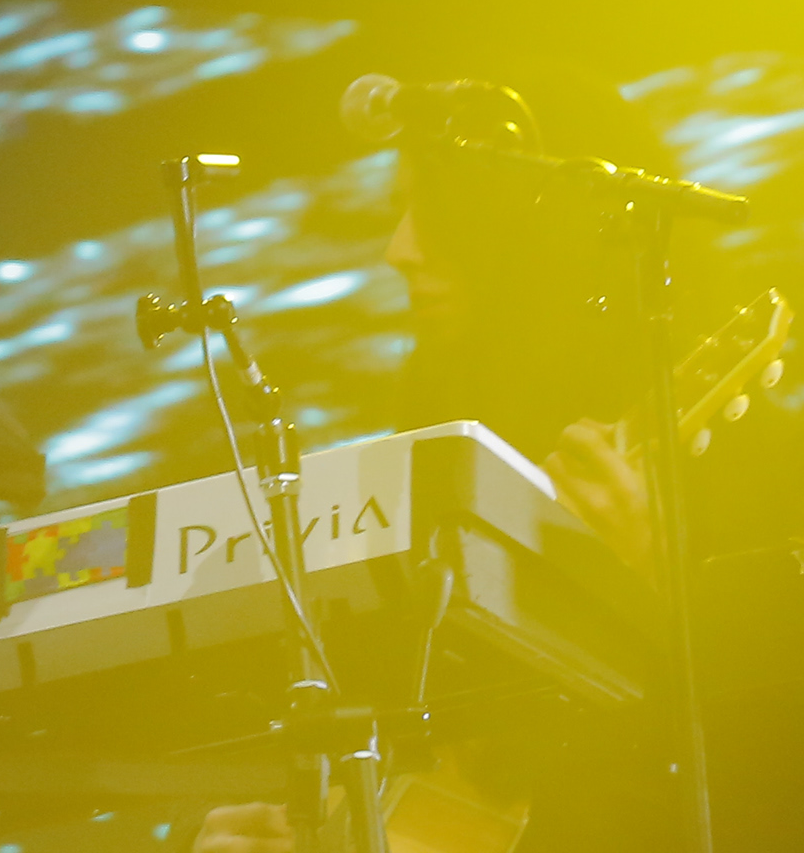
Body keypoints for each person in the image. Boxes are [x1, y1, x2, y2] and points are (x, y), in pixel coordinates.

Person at [190, 64, 798, 853]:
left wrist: (655, 590)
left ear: (539, 224)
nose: (398, 249)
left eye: (435, 209)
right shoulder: (436, 431)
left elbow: (766, 775)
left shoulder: (761, 471)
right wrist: (310, 825)